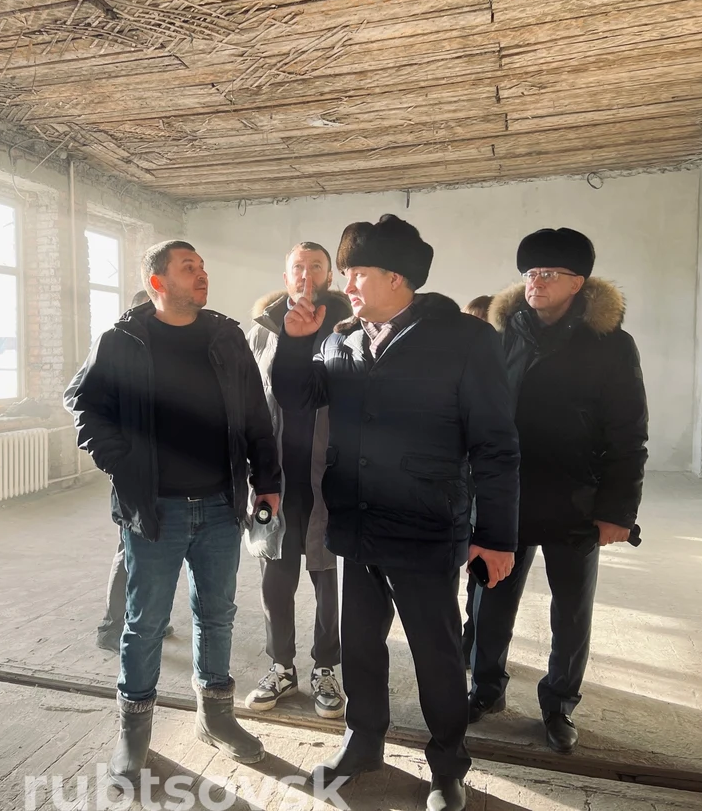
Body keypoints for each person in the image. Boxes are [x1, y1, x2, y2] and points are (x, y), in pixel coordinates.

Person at [273, 215, 519, 811]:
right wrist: (296, 343)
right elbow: (298, 399)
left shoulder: (465, 341)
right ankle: (363, 744)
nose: (346, 286)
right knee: (360, 645)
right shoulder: (341, 340)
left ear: (397, 278)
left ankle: (447, 765)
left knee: (436, 653)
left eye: (357, 273)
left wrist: (496, 535)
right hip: (355, 524)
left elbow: (495, 444)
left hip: (425, 525)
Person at [65, 241, 281, 784]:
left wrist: (267, 482)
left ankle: (216, 717)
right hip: (154, 509)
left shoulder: (226, 337)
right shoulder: (122, 340)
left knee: (217, 614)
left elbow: (256, 415)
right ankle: (133, 732)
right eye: (189, 268)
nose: (201, 274)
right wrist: (121, 462)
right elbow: (84, 404)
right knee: (144, 623)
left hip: (220, 504)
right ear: (158, 282)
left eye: (202, 266)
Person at [468, 229, 648, 754]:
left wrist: (618, 510)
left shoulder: (611, 345)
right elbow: (477, 419)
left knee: (570, 610)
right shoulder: (501, 336)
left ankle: (559, 703)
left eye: (548, 274)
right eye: (530, 273)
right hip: (505, 497)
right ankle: (485, 688)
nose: (535, 282)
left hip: (575, 500)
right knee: (488, 599)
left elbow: (628, 433)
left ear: (578, 283)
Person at [244, 243, 350, 719]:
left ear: (329, 277)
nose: (306, 275)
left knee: (327, 580)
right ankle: (281, 666)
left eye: (316, 267)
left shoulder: (347, 331)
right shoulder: (262, 333)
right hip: (275, 479)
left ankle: (326, 667)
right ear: (285, 276)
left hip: (329, 478)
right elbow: (249, 403)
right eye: (298, 267)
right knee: (275, 576)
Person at [95, 289, 175, 652]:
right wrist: (116, 457)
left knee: (157, 552)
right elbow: (82, 400)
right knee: (129, 549)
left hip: (167, 476)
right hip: (134, 474)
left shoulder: (167, 351)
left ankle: (150, 618)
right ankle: (112, 627)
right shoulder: (116, 348)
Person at [459, 294, 493, 666]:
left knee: (480, 569)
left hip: (484, 487)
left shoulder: (499, 369)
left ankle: (473, 637)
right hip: (457, 484)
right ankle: (466, 636)